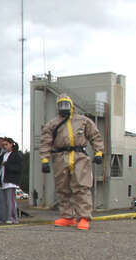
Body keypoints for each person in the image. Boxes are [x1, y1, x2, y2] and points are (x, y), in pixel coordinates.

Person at [39, 94, 104, 230]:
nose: (64, 108)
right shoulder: (53, 124)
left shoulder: (83, 121)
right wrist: (44, 160)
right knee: (62, 187)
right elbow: (46, 142)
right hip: (60, 156)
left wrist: (98, 152)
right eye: (61, 105)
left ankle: (84, 217)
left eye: (66, 105)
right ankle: (67, 216)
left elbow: (95, 136)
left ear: (71, 105)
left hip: (79, 156)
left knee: (81, 186)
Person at [0, 138, 22, 224]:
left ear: (11, 144)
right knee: (3, 202)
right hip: (3, 181)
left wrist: (7, 165)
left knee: (10, 201)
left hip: (11, 182)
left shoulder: (16, 155)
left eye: (6, 144)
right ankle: (5, 218)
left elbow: (18, 168)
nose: (4, 146)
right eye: (3, 145)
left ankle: (12, 218)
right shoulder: (3, 155)